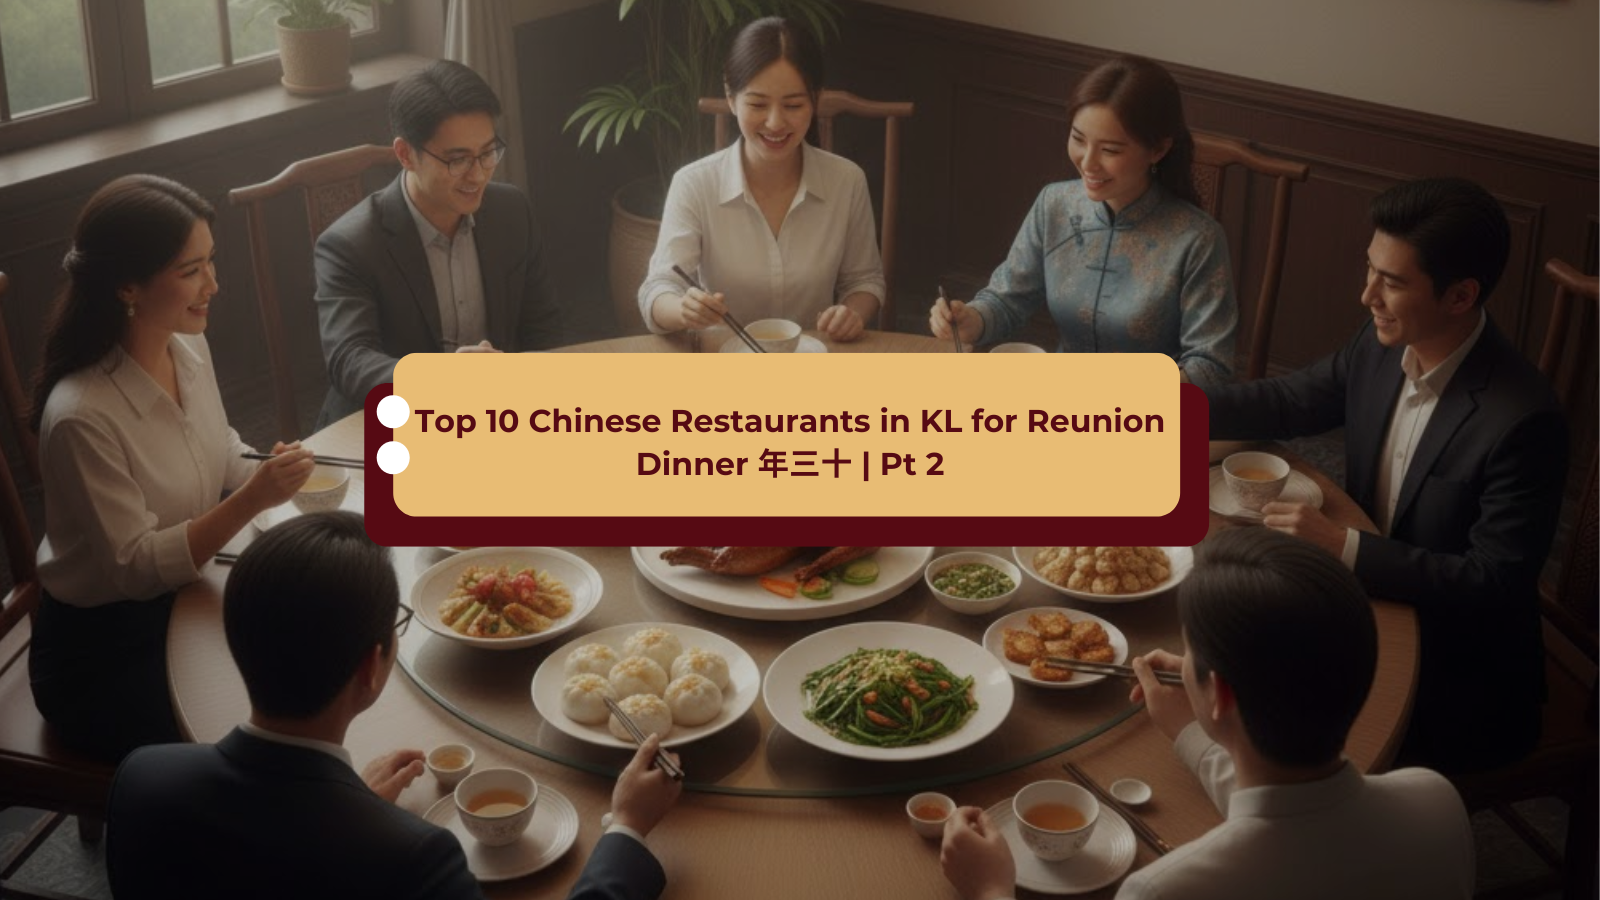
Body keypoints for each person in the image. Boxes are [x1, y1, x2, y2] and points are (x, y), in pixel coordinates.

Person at [107, 511, 682, 900]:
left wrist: (350, 805)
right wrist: (626, 829)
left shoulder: (143, 779)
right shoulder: (415, 860)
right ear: (371, 665)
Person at [1206, 176, 1566, 772]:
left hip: (1460, 673)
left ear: (1460, 296)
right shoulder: (1379, 347)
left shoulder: (1524, 419)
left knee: (1264, 717)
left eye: (1392, 281)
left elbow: (1491, 586)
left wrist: (1340, 545)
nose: (1365, 294)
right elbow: (1288, 400)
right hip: (1362, 611)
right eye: (1370, 269)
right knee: (1222, 647)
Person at [940, 529, 1475, 900]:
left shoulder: (1168, 889)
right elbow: (1294, 810)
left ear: (1219, 694)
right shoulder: (1437, 800)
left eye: (1190, 652)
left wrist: (992, 889)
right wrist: (1189, 729)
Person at [28, 174, 314, 762]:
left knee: (312, 645)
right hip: (106, 650)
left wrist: (263, 467)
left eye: (211, 262)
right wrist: (254, 497)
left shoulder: (186, 345)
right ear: (126, 286)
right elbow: (135, 569)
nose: (214, 284)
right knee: (268, 714)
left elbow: (218, 449)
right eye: (192, 271)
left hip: (187, 594)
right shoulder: (81, 415)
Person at [929, 55, 1236, 387]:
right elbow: (1007, 298)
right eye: (1078, 139)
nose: (1088, 163)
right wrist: (970, 319)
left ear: (1158, 149)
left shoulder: (1198, 239)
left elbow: (1210, 367)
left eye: (1111, 150)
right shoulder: (1055, 204)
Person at [315, 59, 563, 426]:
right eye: (458, 159)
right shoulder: (350, 245)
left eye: (487, 152)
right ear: (405, 154)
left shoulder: (512, 211)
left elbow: (543, 329)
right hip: (389, 429)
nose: (477, 174)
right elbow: (350, 360)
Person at [638, 17, 886, 342]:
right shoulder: (694, 183)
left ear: (816, 99)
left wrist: (851, 314)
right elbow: (657, 289)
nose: (775, 122)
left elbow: (865, 281)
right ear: (730, 97)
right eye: (757, 104)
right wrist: (683, 309)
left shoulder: (846, 181)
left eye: (793, 105)